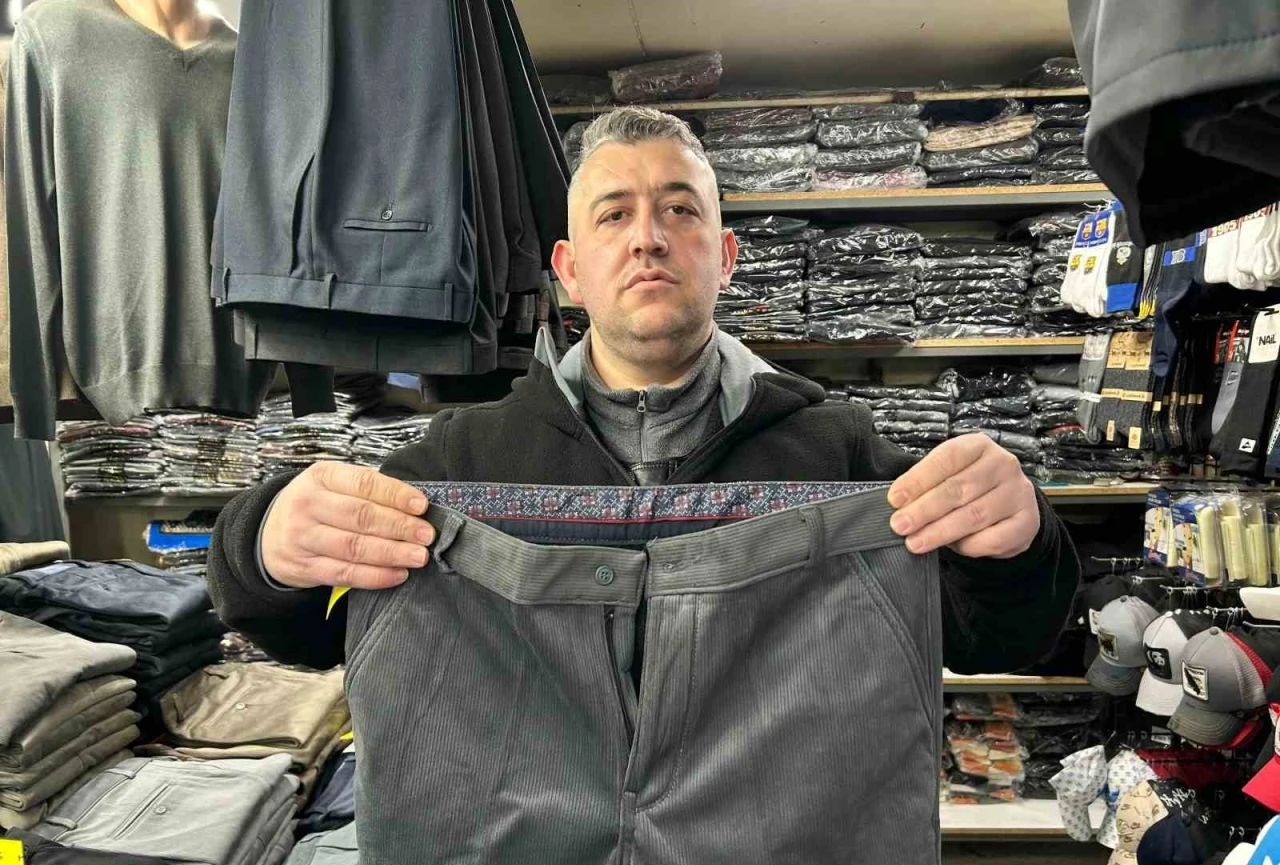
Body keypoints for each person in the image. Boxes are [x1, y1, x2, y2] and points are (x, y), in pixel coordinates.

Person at [208, 106, 1080, 674]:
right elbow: (314, 636)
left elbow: (994, 640)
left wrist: (1022, 540)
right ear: (569, 271)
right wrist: (263, 544)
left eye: (681, 209)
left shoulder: (840, 451)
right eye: (614, 214)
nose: (648, 238)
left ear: (726, 258)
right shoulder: (463, 460)